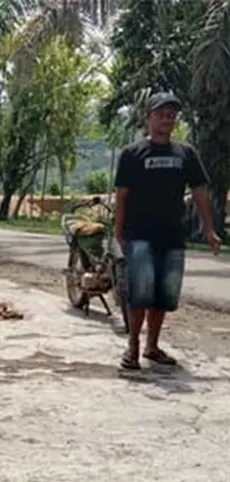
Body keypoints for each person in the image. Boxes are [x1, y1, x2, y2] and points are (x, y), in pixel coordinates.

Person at [114, 91, 222, 370]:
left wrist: (209, 229)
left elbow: (199, 193)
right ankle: (133, 346)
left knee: (164, 294)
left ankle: (152, 346)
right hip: (140, 235)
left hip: (173, 235)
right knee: (140, 293)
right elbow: (122, 196)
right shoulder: (132, 154)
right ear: (149, 117)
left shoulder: (186, 154)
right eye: (161, 114)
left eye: (172, 115)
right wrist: (119, 231)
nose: (167, 119)